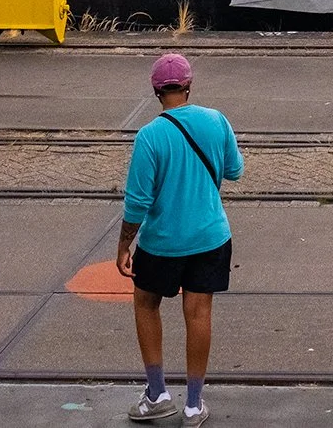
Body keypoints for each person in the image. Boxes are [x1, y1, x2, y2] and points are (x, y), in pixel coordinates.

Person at [118, 53, 243, 425]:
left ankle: (157, 394)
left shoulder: (150, 136)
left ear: (156, 91)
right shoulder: (216, 120)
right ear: (189, 86)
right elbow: (235, 170)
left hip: (162, 243)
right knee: (199, 312)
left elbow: (137, 202)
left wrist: (125, 243)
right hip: (210, 237)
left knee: (145, 303)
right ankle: (193, 404)